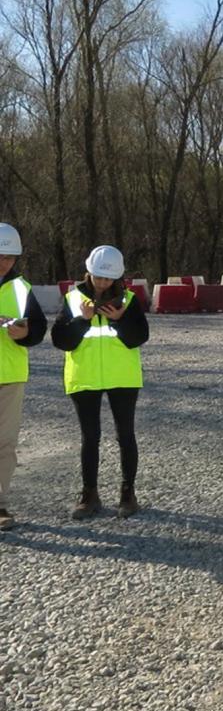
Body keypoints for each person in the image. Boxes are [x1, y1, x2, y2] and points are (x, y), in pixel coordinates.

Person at [51, 245, 149, 519]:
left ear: (118, 277)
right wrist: (82, 321)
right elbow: (60, 340)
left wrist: (119, 320)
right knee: (90, 437)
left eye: (108, 278)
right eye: (98, 277)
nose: (103, 283)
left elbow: (139, 337)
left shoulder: (129, 300)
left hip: (122, 377)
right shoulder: (73, 299)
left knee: (125, 435)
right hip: (84, 376)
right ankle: (89, 494)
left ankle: (128, 494)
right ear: (89, 273)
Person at [0, 222, 48, 530]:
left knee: (4, 443)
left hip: (10, 376)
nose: (4, 263)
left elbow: (39, 329)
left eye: (9, 257)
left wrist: (25, 334)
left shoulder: (22, 288)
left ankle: (0, 504)